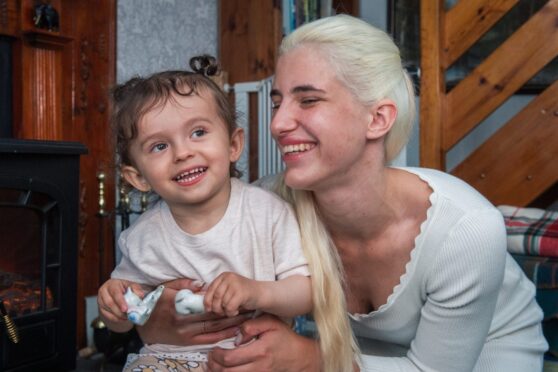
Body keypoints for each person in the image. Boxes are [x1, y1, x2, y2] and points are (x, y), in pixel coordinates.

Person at [137, 15, 549, 372]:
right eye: (277, 101)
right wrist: (160, 319)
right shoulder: (264, 208)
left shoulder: (466, 229)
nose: (278, 123)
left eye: (309, 99)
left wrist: (308, 360)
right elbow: (183, 296)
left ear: (378, 118)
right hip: (351, 357)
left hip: (476, 358)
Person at [97, 55, 345, 372]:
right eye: (159, 146)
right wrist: (114, 309)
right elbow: (129, 319)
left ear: (233, 144)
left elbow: (308, 293)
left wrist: (257, 292)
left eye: (198, 132)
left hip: (254, 357)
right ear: (138, 177)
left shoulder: (267, 212)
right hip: (168, 360)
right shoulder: (141, 238)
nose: (183, 153)